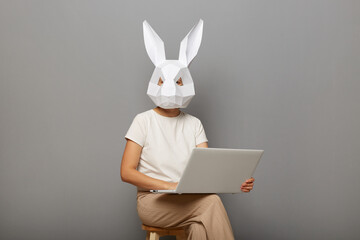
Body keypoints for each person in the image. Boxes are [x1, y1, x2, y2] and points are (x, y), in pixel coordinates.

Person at [120, 19, 255, 240]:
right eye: (163, 81)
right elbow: (127, 172)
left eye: (179, 82)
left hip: (188, 199)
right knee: (211, 203)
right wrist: (169, 185)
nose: (171, 88)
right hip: (153, 202)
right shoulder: (143, 121)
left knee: (202, 224)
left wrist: (236, 181)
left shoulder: (194, 124)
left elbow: (206, 170)